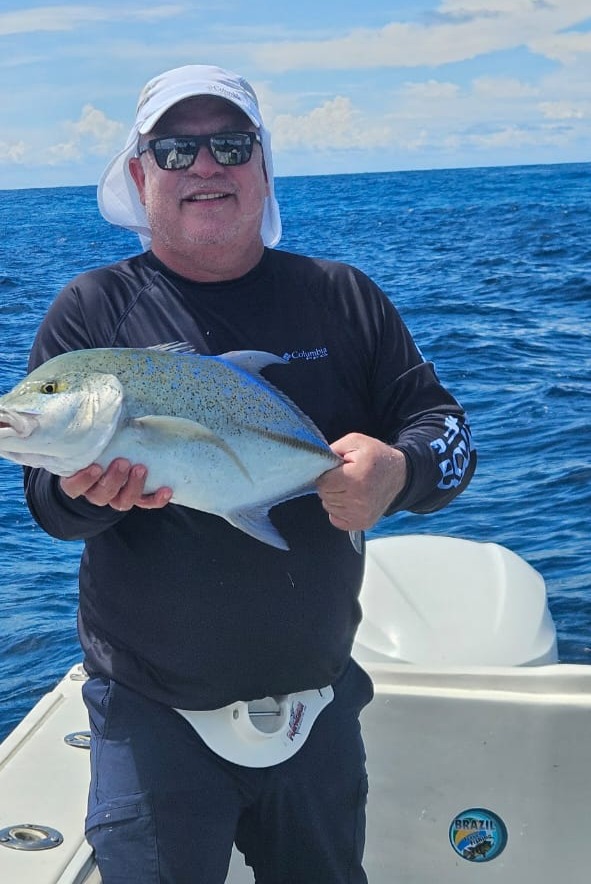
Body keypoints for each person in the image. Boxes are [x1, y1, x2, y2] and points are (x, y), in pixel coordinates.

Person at [24, 64, 476, 883]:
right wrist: (79, 492)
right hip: (150, 715)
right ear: (139, 174)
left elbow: (448, 437)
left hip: (318, 704)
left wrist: (396, 471)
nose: (205, 166)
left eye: (230, 145)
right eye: (174, 149)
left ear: (262, 166)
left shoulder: (343, 297)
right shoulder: (91, 313)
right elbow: (48, 507)